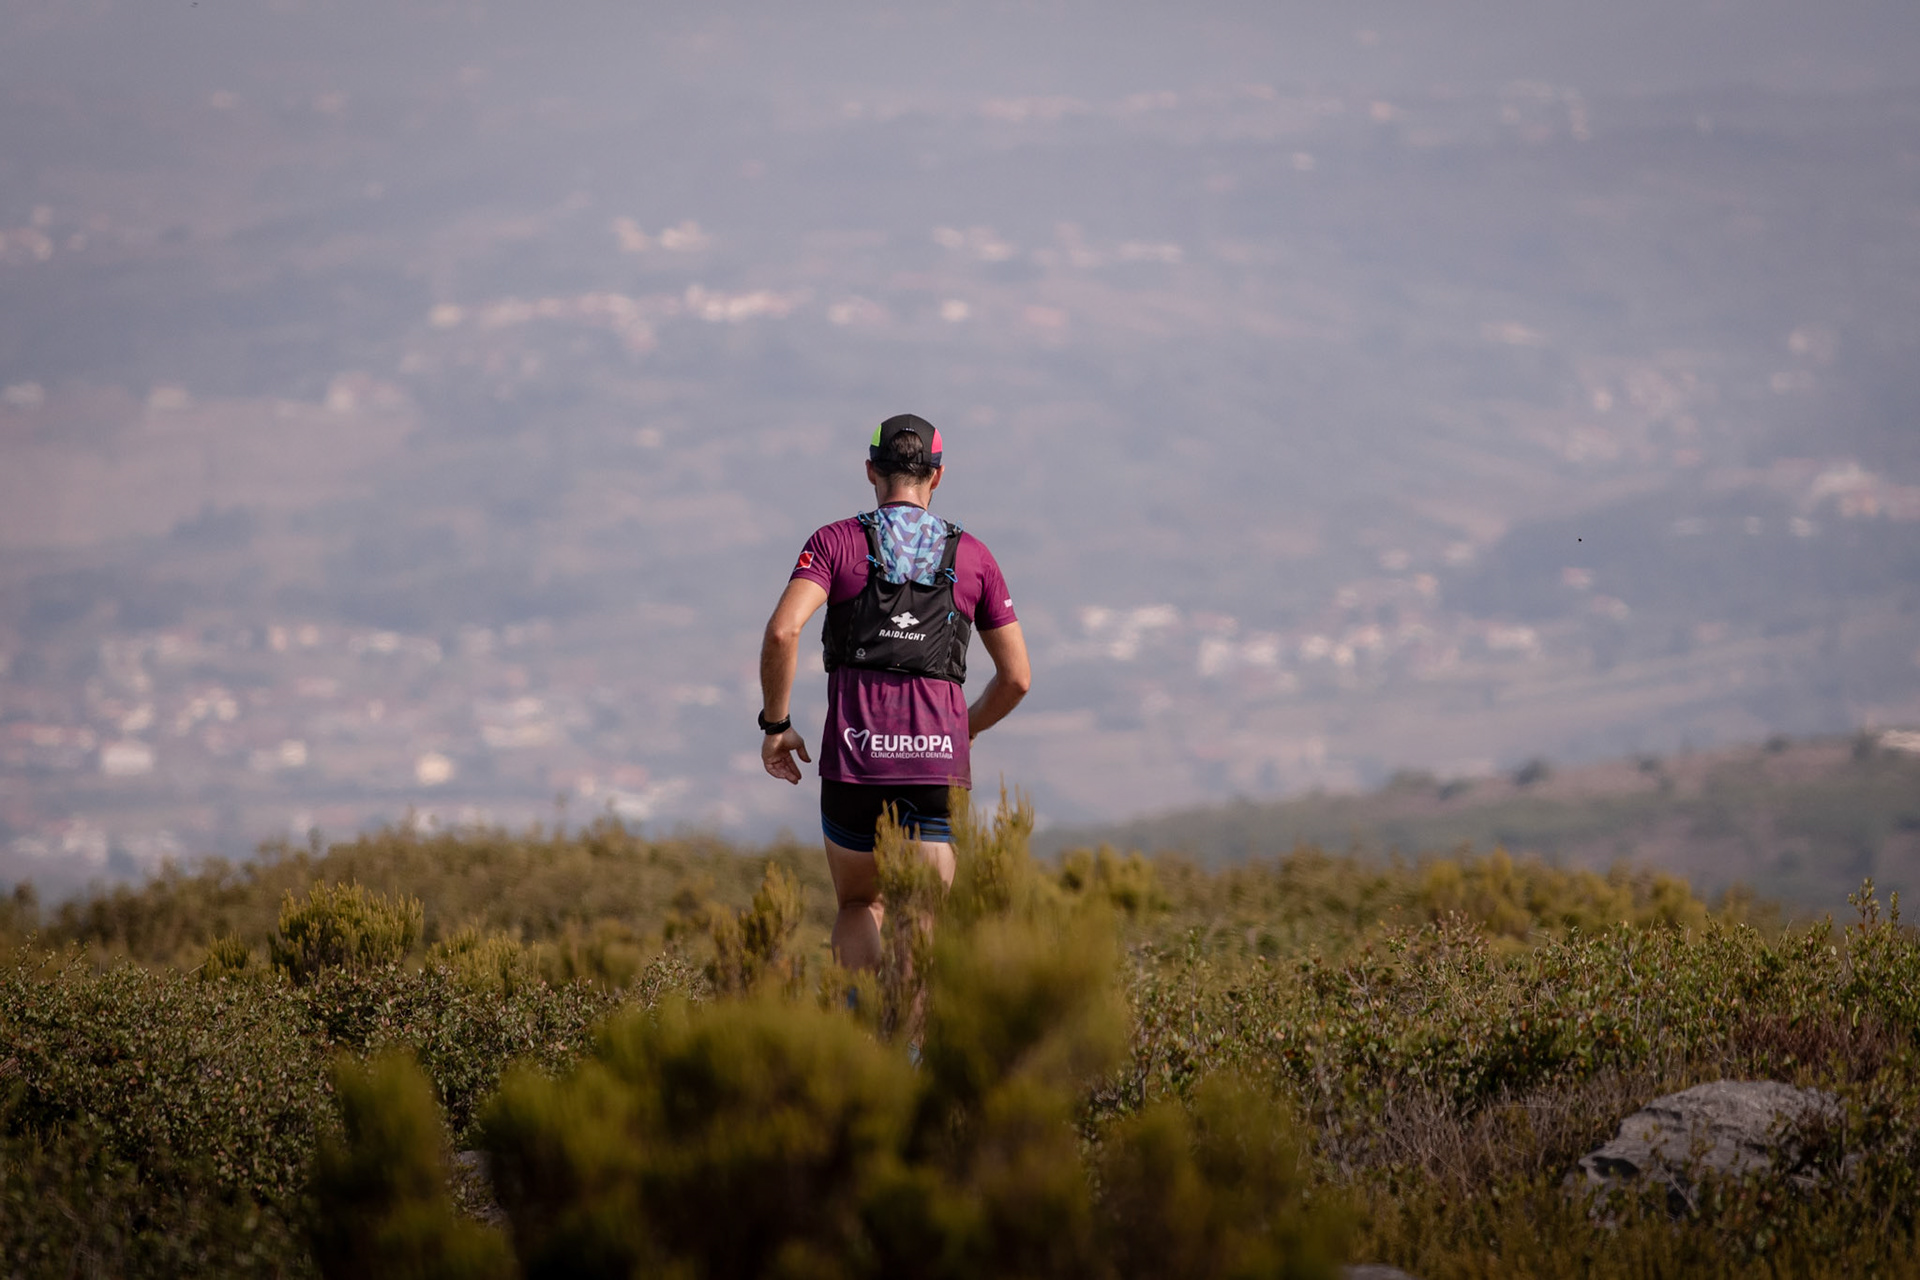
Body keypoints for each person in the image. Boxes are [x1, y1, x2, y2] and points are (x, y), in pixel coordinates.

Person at [758, 413, 1030, 970]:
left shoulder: (834, 543)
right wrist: (967, 727)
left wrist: (777, 726)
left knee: (860, 904)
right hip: (935, 764)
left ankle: (858, 1018)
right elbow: (1016, 678)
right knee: (922, 915)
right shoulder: (973, 556)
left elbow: (784, 631)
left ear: (870, 471)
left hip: (855, 763)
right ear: (938, 475)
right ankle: (907, 1027)